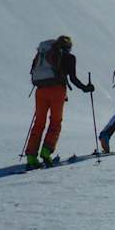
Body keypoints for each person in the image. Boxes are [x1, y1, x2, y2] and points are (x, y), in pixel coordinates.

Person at [25, 35, 94, 170]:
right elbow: (73, 78)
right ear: (68, 47)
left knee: (38, 123)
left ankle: (31, 157)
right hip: (57, 91)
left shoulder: (43, 54)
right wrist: (86, 88)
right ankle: (46, 151)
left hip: (40, 90)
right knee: (55, 122)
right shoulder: (69, 57)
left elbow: (32, 71)